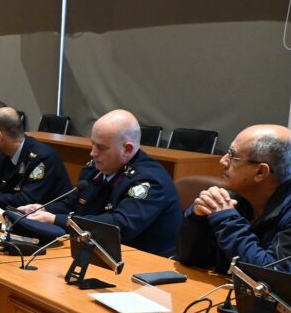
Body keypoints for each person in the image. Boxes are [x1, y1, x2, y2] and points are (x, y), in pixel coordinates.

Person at [176, 125, 291, 304]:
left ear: (261, 172)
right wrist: (197, 219)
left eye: (232, 155)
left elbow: (269, 280)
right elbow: (189, 258)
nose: (223, 161)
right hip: (236, 296)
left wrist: (226, 219)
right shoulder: (237, 196)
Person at [18, 109, 182, 257]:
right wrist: (43, 210)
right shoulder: (95, 169)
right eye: (93, 144)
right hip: (102, 251)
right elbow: (71, 205)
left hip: (146, 262)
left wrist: (57, 219)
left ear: (127, 149)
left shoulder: (149, 181)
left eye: (101, 147)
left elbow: (118, 227)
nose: (92, 153)